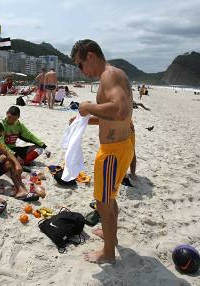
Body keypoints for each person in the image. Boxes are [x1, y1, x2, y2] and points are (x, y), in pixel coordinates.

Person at [70, 39, 134, 263]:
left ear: (90, 56)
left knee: (102, 202)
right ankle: (110, 237)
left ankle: (108, 253)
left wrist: (88, 107)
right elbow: (114, 116)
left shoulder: (108, 76)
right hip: (121, 146)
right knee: (109, 197)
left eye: (80, 65)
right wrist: (89, 120)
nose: (81, 70)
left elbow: (121, 111)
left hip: (112, 152)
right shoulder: (114, 73)